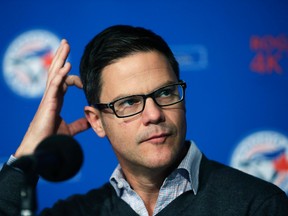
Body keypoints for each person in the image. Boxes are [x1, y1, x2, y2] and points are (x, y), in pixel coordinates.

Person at [0, 25, 287, 216]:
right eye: (128, 102)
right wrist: (29, 151)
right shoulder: (79, 212)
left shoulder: (258, 205)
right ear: (96, 121)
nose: (154, 115)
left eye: (164, 93)